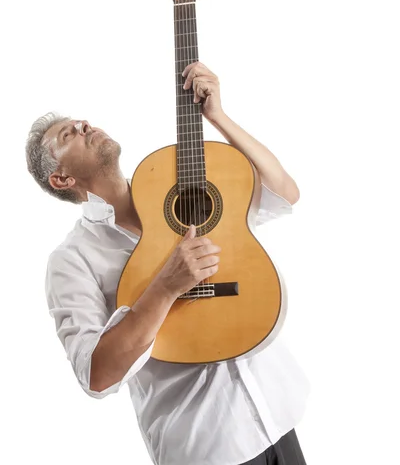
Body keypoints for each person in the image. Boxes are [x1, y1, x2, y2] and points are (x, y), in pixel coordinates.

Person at [26, 61, 310, 465]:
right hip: (207, 447)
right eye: (68, 134)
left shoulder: (177, 190)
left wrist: (219, 118)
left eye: (81, 121)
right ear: (61, 178)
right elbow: (96, 375)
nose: (85, 126)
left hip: (277, 413)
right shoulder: (71, 260)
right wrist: (164, 287)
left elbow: (285, 194)